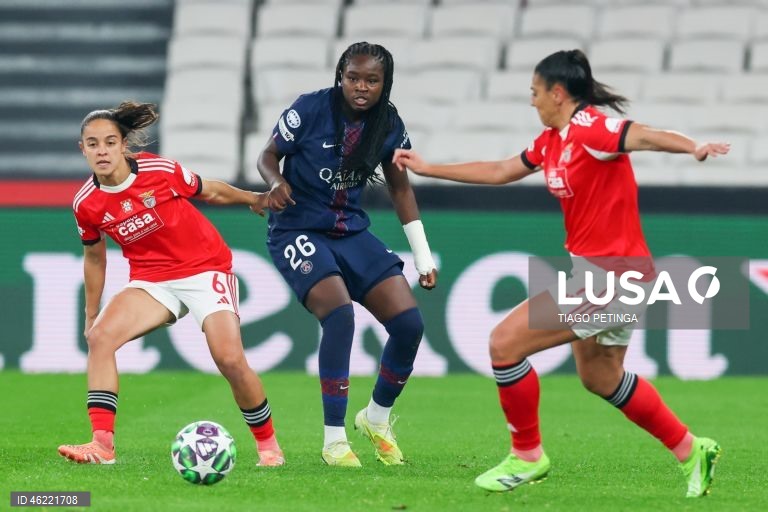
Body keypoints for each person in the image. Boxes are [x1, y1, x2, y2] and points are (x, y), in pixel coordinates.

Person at [393, 49, 728, 497]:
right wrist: (428, 167)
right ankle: (692, 449)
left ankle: (527, 456)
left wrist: (693, 147)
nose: (532, 101)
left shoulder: (592, 129)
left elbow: (643, 136)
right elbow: (500, 171)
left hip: (613, 278)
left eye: (535, 92)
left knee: (504, 343)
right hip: (607, 275)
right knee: (601, 378)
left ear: (557, 92)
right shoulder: (553, 140)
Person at [58, 101, 285, 467]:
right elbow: (95, 258)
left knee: (229, 358)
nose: (102, 151)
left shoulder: (156, 169)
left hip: (206, 267)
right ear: (82, 148)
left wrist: (255, 198)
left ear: (123, 145)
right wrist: (90, 315)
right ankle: (102, 446)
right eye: (93, 143)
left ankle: (268, 446)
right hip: (152, 279)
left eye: (110, 142)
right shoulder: (86, 204)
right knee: (100, 338)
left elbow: (208, 190)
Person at [256, 42, 438, 467]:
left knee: (409, 324)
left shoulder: (388, 122)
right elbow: (268, 155)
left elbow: (399, 188)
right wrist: (275, 181)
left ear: (384, 84)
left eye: (371, 80)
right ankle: (334, 441)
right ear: (340, 75)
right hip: (296, 228)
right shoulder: (310, 109)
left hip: (348, 229)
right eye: (353, 77)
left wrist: (422, 255)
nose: (361, 87)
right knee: (339, 315)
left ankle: (376, 418)